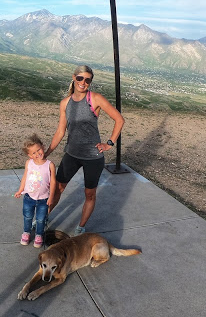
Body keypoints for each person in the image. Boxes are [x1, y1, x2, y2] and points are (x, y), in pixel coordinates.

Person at [44, 65, 125, 235]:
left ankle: (80, 228)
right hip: (72, 154)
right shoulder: (65, 103)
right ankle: (44, 218)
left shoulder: (95, 99)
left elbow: (119, 119)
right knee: (57, 188)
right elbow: (60, 131)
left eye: (88, 79)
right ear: (74, 77)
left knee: (89, 194)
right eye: (80, 78)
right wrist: (46, 153)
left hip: (93, 157)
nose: (83, 82)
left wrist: (109, 143)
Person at [14, 133, 57, 248]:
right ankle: (26, 232)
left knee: (40, 219)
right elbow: (25, 177)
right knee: (27, 216)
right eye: (34, 153)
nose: (38, 154)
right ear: (30, 155)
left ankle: (39, 235)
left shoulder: (50, 165)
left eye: (39, 150)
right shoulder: (29, 163)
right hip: (29, 197)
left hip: (43, 199)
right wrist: (20, 190)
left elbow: (53, 182)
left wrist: (51, 196)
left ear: (43, 147)